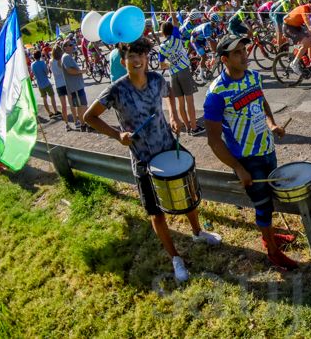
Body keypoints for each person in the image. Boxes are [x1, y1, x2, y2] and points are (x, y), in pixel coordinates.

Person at [84, 37, 221, 282]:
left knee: (188, 195)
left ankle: (198, 232)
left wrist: (174, 117)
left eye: (140, 55)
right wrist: (118, 135)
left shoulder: (157, 80)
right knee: (156, 213)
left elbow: (169, 96)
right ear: (123, 60)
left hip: (168, 148)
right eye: (130, 56)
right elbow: (88, 116)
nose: (136, 60)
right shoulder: (116, 89)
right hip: (143, 159)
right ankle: (175, 258)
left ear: (146, 57)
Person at [203, 34, 298, 270]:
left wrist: (272, 124)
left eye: (244, 50)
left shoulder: (254, 77)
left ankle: (269, 236)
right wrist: (238, 168)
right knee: (262, 204)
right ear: (224, 59)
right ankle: (273, 253)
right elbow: (213, 140)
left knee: (271, 197)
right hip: (247, 159)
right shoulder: (216, 93)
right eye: (237, 53)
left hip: (267, 149)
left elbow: (262, 102)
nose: (245, 55)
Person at [158, 18, 201, 135]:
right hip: (184, 71)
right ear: (172, 30)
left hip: (173, 74)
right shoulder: (176, 37)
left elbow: (162, 65)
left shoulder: (161, 47)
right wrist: (170, 2)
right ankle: (194, 128)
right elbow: (175, 21)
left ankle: (187, 127)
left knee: (181, 103)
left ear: (163, 33)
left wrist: (171, 63)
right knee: (190, 101)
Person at [60, 40, 89, 131]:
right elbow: (70, 70)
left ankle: (84, 123)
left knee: (83, 105)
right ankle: (83, 125)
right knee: (81, 106)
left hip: (77, 86)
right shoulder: (66, 57)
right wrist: (82, 71)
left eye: (73, 44)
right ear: (65, 47)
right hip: (75, 87)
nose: (73, 46)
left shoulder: (67, 57)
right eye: (70, 45)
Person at [30, 50, 59, 119]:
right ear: (40, 56)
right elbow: (46, 73)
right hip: (46, 82)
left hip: (39, 84)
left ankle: (49, 112)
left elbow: (33, 74)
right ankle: (55, 111)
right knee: (52, 96)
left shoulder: (32, 64)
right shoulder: (42, 63)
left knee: (44, 98)